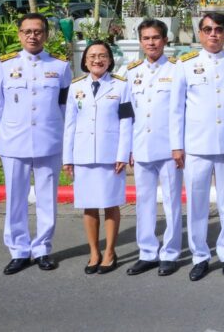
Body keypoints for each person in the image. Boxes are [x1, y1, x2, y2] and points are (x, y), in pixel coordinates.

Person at [0, 13, 72, 275]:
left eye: (38, 31)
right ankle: (19, 251)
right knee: (15, 198)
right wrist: (9, 129)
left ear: (46, 35)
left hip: (49, 141)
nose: (32, 36)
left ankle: (42, 248)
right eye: (27, 31)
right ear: (19, 34)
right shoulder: (4, 64)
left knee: (47, 198)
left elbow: (65, 105)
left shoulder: (60, 66)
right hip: (14, 143)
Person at [170, 12, 224, 281]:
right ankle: (200, 256)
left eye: (219, 29)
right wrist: (176, 146)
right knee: (197, 204)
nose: (213, 34)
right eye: (208, 29)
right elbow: (176, 109)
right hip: (196, 146)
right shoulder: (185, 64)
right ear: (200, 34)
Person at [63, 41, 133, 274]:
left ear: (110, 60)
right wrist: (68, 157)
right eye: (92, 56)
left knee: (111, 204)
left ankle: (110, 252)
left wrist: (123, 153)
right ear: (85, 60)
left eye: (102, 55)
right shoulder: (76, 87)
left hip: (110, 155)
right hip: (83, 154)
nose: (97, 60)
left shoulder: (121, 86)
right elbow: (70, 124)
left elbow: (126, 122)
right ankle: (94, 252)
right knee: (89, 206)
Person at [124, 19, 183, 277]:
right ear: (140, 42)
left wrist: (179, 146)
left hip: (169, 148)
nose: (151, 42)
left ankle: (170, 252)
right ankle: (147, 252)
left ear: (165, 40)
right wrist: (128, 148)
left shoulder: (177, 69)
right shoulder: (131, 72)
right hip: (141, 146)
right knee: (144, 203)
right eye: (146, 38)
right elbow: (127, 114)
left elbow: (180, 111)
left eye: (156, 37)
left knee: (172, 202)